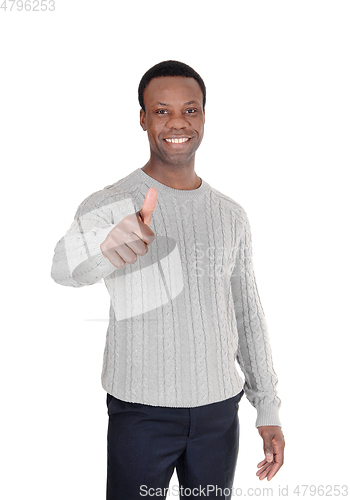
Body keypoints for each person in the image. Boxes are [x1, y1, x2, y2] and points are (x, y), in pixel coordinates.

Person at [51, 60, 285, 499]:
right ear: (142, 118)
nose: (177, 122)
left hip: (219, 414)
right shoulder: (112, 201)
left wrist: (266, 404)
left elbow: (246, 311)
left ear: (203, 117)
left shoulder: (231, 214)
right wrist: (105, 247)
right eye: (161, 111)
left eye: (190, 110)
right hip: (141, 414)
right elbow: (63, 269)